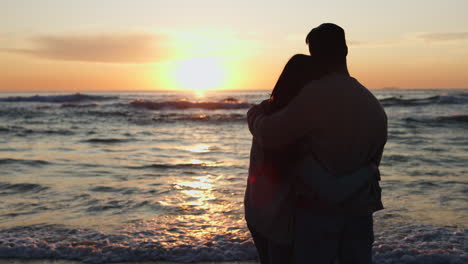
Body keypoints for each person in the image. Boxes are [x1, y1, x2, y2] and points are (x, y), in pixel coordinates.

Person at [246, 23, 387, 264]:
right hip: (361, 212)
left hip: (318, 215)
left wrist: (254, 114)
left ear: (314, 55)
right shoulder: (373, 105)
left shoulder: (315, 95)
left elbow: (270, 134)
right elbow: (373, 163)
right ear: (345, 50)